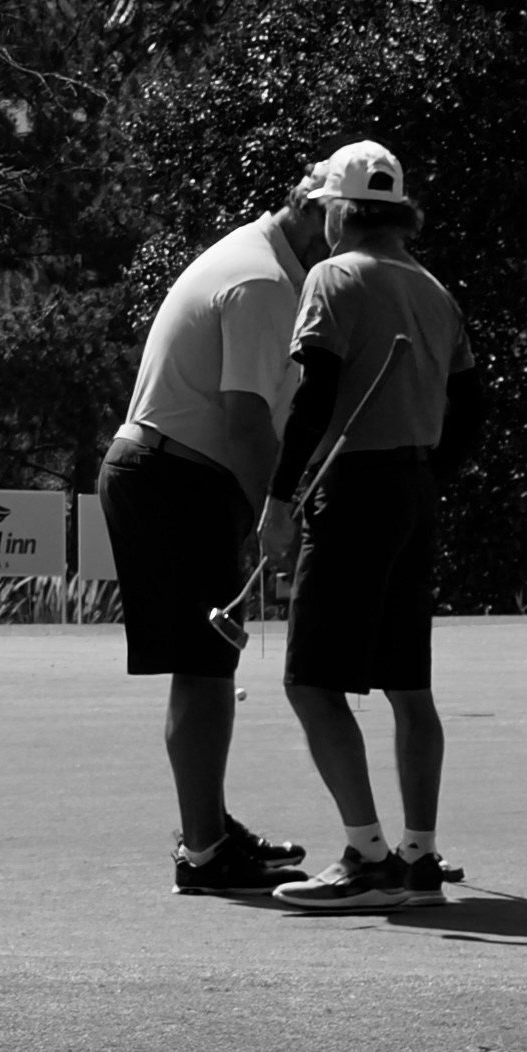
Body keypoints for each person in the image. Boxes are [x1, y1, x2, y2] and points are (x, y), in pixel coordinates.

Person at [261, 141, 483, 912]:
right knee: (407, 685)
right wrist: (422, 475)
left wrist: (279, 500)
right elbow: (471, 410)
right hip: (413, 489)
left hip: (353, 491)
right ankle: (418, 859)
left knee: (310, 682)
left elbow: (314, 396)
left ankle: (367, 854)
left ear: (341, 211)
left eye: (324, 209)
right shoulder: (433, 288)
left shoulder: (332, 275)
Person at [98, 170, 334, 894]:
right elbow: (243, 419)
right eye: (347, 225)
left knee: (208, 666)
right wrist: (282, 511)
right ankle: (202, 852)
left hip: (178, 474)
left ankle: (208, 828)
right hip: (174, 476)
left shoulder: (262, 258)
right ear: (313, 215)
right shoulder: (265, 283)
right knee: (202, 669)